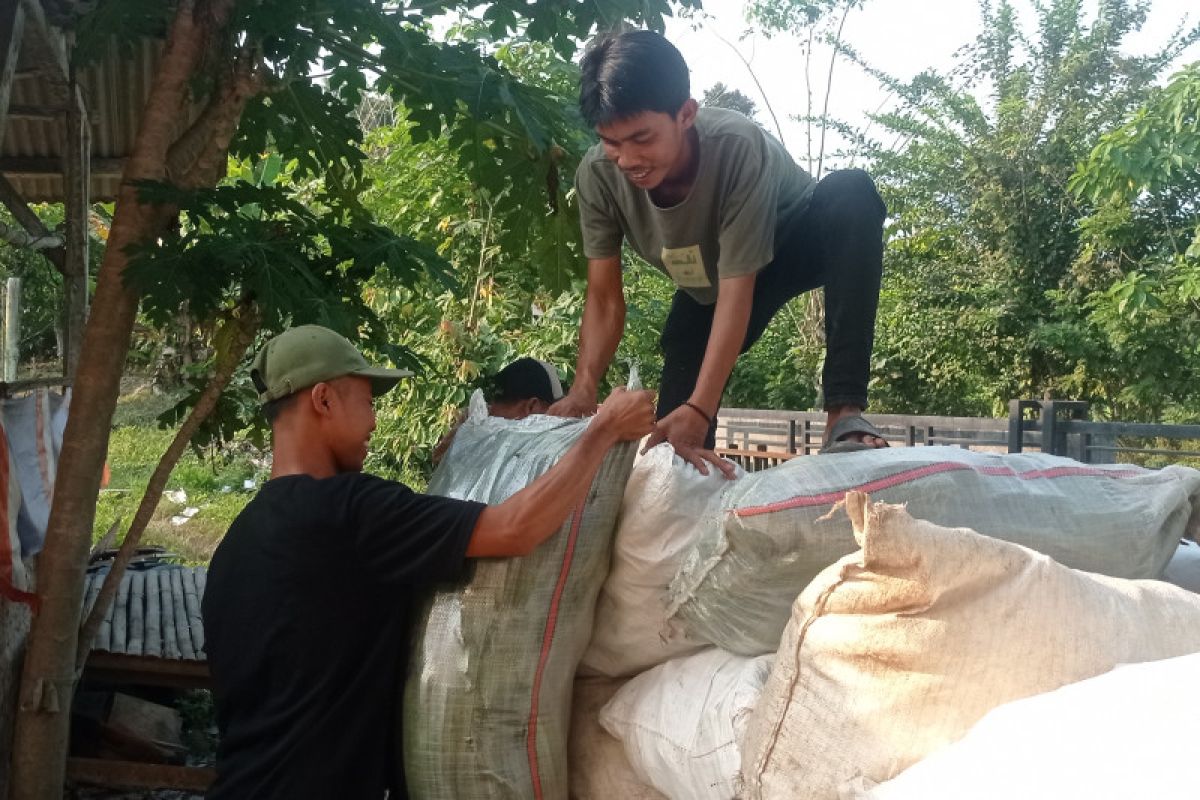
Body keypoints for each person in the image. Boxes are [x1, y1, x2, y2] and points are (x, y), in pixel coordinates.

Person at [201, 325, 654, 799]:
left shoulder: (239, 542)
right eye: (368, 401)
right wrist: (604, 430)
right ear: (324, 400)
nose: (374, 422)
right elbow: (516, 529)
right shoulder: (351, 512)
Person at [547, 30, 889, 476]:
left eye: (642, 138)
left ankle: (844, 416)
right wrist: (582, 390)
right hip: (709, 284)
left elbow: (739, 287)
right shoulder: (596, 178)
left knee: (851, 193)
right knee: (674, 447)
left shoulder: (736, 147)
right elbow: (605, 298)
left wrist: (702, 407)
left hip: (792, 241)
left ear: (685, 114)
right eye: (612, 142)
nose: (628, 159)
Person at [431, 357, 567, 464]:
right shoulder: (528, 449)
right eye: (550, 411)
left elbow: (438, 459)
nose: (552, 419)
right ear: (532, 406)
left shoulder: (473, 426)